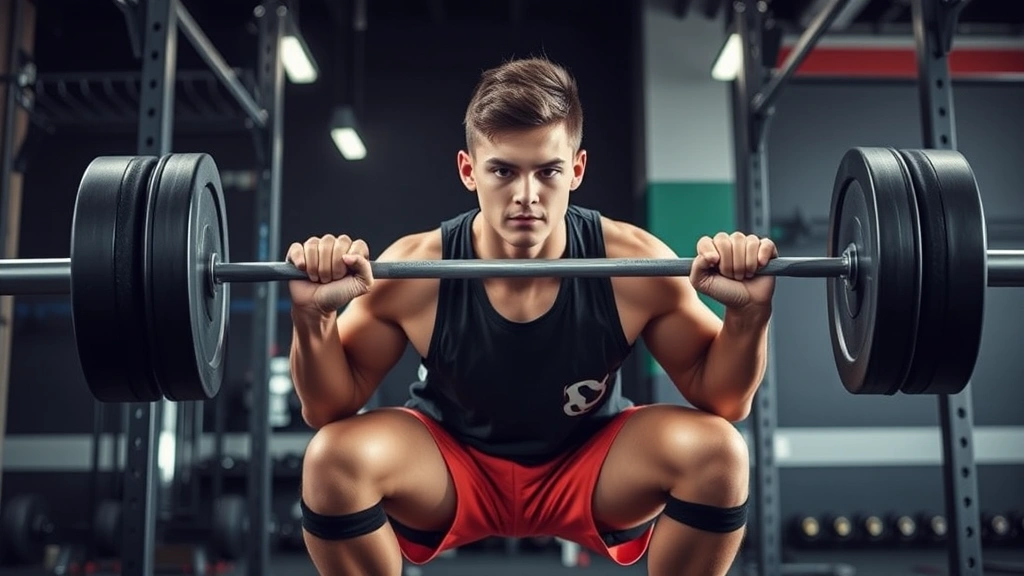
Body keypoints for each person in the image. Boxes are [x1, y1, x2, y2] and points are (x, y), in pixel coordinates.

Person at [286, 56, 777, 576]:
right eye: (503, 170)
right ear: (469, 170)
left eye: (548, 171)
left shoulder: (631, 263)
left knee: (720, 453)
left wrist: (748, 318)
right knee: (331, 459)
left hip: (592, 466)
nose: (526, 196)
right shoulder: (416, 269)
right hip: (450, 468)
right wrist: (312, 320)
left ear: (577, 170)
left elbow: (724, 400)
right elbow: (327, 408)